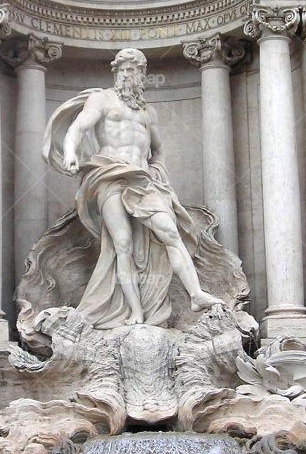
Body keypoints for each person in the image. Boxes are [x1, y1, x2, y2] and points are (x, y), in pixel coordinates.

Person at [43, 48, 222, 328]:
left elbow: (158, 150)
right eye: (124, 70)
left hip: (142, 180)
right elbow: (76, 129)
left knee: (170, 232)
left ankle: (196, 294)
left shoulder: (148, 113)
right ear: (115, 73)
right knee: (122, 244)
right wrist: (70, 153)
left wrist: (157, 171)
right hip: (109, 175)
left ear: (143, 75)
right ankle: (135, 312)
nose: (129, 75)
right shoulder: (101, 99)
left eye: (135, 70)